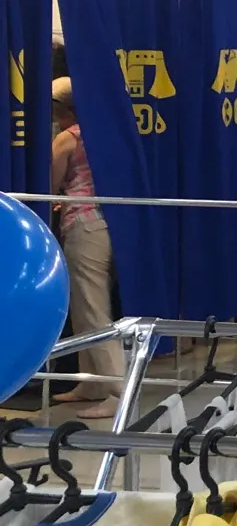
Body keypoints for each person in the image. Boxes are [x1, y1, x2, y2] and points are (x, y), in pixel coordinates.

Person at [49, 78, 120, 417]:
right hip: (106, 221)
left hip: (83, 224)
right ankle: (92, 382)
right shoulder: (102, 132)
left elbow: (49, 182)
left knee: (92, 308)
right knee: (84, 305)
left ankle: (119, 391)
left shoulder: (67, 138)